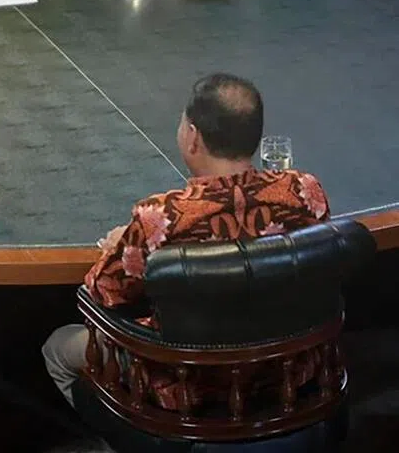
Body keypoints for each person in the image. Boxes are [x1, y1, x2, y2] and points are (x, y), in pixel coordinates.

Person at [42, 73, 330, 409]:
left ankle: (131, 435)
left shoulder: (160, 217)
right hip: (289, 373)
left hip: (185, 387)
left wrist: (123, 244)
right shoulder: (303, 191)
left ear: (192, 137)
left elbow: (101, 292)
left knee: (58, 346)